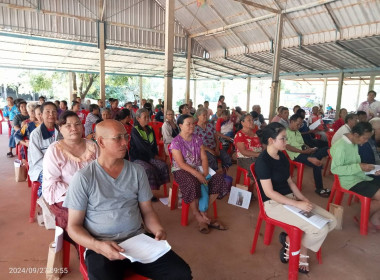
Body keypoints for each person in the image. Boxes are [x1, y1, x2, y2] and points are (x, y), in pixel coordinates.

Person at [63, 120, 192, 280]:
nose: (125, 142)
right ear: (101, 141)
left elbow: (147, 210)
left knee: (181, 274)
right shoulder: (84, 178)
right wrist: (98, 246)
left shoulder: (137, 171)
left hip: (137, 240)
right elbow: (73, 227)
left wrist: (158, 230)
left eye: (126, 136)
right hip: (102, 246)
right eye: (117, 138)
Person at [254, 122, 336, 274]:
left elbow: (290, 182)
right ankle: (301, 253)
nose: (286, 142)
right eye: (283, 138)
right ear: (271, 140)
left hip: (290, 199)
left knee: (332, 221)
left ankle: (290, 241)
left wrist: (304, 199)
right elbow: (270, 193)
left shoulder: (282, 157)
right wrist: (297, 204)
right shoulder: (263, 162)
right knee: (320, 230)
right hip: (274, 205)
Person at [170, 114, 229, 234]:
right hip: (182, 170)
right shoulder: (176, 142)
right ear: (180, 126)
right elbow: (181, 164)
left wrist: (206, 173)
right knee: (192, 183)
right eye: (188, 124)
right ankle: (198, 215)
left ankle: (203, 212)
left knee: (218, 179)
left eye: (193, 123)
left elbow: (204, 157)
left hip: (199, 168)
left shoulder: (197, 139)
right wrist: (198, 175)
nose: (192, 126)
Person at [42, 111, 98, 230]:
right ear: (60, 129)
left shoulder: (92, 146)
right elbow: (52, 184)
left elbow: (102, 171)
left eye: (77, 124)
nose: (74, 128)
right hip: (66, 198)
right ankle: (88, 245)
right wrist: (80, 193)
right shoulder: (55, 151)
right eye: (68, 125)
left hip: (93, 194)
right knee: (85, 222)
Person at [331, 122, 380, 230]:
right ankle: (360, 217)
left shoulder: (353, 143)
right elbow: (335, 169)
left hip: (359, 176)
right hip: (349, 181)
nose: (366, 141)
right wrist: (359, 167)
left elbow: (356, 165)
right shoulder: (341, 147)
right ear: (356, 135)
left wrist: (370, 170)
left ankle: (374, 217)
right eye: (365, 138)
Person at [286, 114, 331, 197]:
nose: (299, 126)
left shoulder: (297, 131)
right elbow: (287, 147)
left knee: (326, 149)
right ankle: (319, 188)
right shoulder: (285, 132)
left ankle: (314, 158)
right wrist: (303, 152)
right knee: (316, 163)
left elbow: (302, 144)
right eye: (298, 124)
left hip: (304, 152)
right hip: (297, 155)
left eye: (300, 125)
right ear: (291, 122)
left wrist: (309, 149)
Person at [130, 109, 170, 197]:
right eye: (145, 117)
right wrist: (155, 156)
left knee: (163, 166)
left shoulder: (150, 128)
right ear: (138, 118)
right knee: (148, 170)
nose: (148, 119)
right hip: (138, 157)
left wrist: (155, 155)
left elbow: (154, 144)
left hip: (149, 157)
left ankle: (156, 188)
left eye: (148, 117)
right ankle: (147, 194)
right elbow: (142, 147)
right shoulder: (135, 130)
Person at [28, 102, 60, 197]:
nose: (51, 114)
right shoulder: (35, 134)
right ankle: (46, 205)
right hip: (41, 168)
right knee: (51, 181)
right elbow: (37, 160)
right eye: (48, 112)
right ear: (41, 115)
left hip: (60, 166)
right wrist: (54, 168)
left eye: (54, 112)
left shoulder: (61, 131)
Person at [194, 108, 232, 173]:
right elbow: (196, 144)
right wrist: (210, 150)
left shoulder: (210, 125)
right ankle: (212, 176)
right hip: (203, 149)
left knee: (226, 157)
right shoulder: (195, 128)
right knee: (211, 159)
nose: (206, 116)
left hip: (214, 148)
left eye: (206, 115)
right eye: (204, 115)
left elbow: (216, 138)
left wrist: (217, 148)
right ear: (198, 116)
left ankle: (223, 173)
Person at [234, 114, 262, 179]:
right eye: (249, 120)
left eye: (252, 120)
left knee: (270, 166)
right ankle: (259, 186)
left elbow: (261, 145)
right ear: (242, 123)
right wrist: (258, 154)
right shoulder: (239, 135)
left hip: (258, 156)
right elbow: (243, 152)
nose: (252, 122)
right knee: (259, 170)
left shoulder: (255, 132)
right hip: (245, 159)